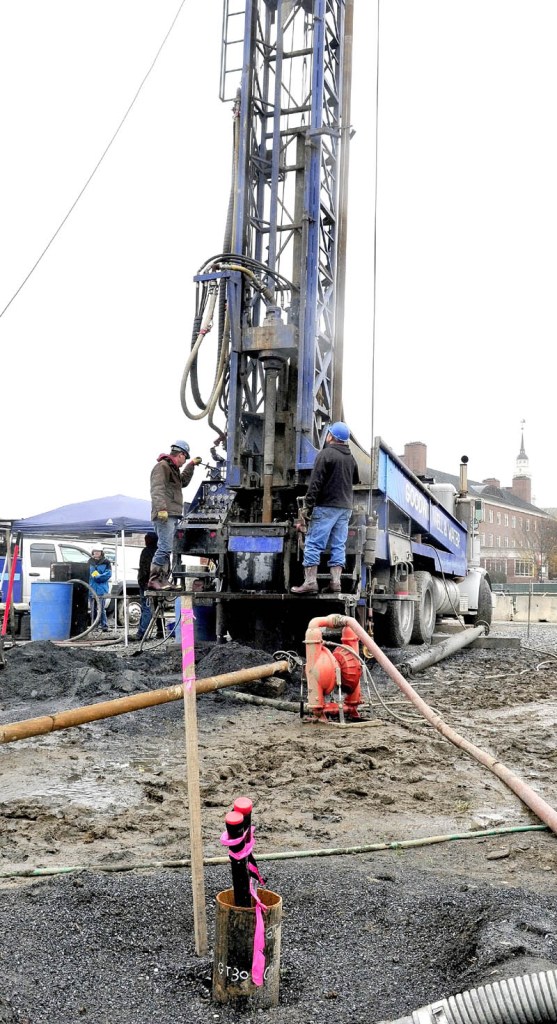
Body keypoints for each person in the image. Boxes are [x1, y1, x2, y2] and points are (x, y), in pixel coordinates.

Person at [291, 421, 359, 595]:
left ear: (331, 436)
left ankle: (310, 583)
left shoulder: (325, 454)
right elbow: (355, 480)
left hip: (326, 506)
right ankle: (335, 584)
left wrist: (307, 506)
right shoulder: (350, 458)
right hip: (345, 508)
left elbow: (315, 483)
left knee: (313, 543)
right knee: (338, 545)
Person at [149, 439, 203, 590]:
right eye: (185, 458)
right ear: (180, 454)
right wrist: (161, 509)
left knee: (167, 549)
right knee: (164, 547)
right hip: (165, 514)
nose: (183, 461)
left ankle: (162, 580)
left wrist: (191, 465)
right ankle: (154, 580)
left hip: (171, 514)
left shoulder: (172, 469)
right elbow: (157, 488)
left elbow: (183, 482)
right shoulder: (163, 467)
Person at [135, 532, 164, 640]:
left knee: (146, 608)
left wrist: (143, 582)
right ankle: (160, 631)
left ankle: (142, 633)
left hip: (146, 583)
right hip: (159, 583)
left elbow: (144, 568)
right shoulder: (161, 552)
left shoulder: (146, 551)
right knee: (158, 607)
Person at [88, 546, 112, 631]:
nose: (97, 553)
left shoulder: (107, 562)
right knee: (93, 609)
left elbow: (108, 574)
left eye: (98, 551)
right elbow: (89, 573)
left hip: (101, 589)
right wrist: (98, 576)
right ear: (93, 552)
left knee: (101, 608)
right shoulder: (89, 562)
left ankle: (104, 626)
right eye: (95, 551)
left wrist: (97, 577)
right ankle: (94, 626)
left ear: (101, 552)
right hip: (92, 588)